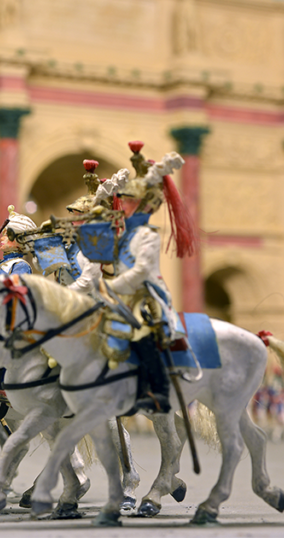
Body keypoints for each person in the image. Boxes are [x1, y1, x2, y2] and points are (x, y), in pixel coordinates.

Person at [105, 142, 197, 414]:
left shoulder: (146, 236)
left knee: (141, 329)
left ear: (143, 206)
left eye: (129, 201)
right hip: (120, 292)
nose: (122, 205)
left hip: (145, 293)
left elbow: (140, 271)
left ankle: (158, 391)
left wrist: (112, 285)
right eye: (122, 200)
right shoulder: (122, 235)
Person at [0, 206, 36, 277]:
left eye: (7, 235)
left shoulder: (22, 265)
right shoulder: (1, 264)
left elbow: (13, 285)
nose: (2, 238)